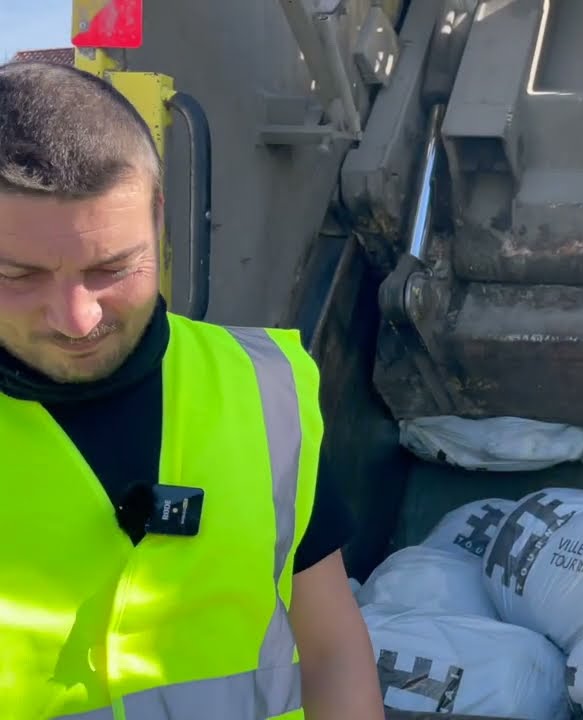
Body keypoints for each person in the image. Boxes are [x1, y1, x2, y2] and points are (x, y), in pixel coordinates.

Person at [0, 61, 384, 719]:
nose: (78, 318)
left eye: (111, 268)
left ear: (158, 217)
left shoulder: (268, 389)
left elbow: (329, 647)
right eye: (18, 275)